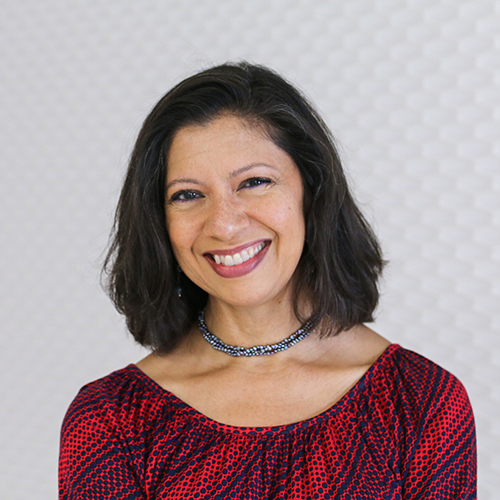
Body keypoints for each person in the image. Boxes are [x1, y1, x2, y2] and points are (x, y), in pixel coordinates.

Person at [59, 62, 476, 499]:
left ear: (310, 192)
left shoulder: (422, 403)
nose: (222, 224)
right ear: (159, 221)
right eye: (187, 194)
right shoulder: (110, 420)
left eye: (254, 182)